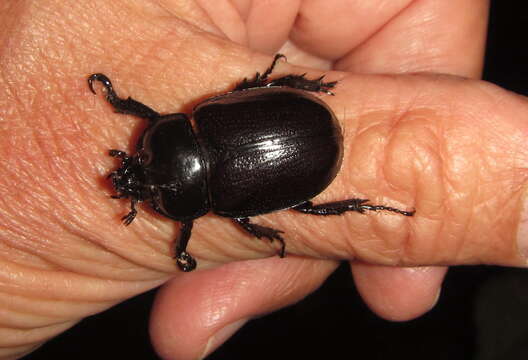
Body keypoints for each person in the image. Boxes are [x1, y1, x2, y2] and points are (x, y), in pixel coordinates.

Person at [0, 1, 525, 359]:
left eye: (140, 167)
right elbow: (253, 90)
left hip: (304, 143)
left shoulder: (216, 197)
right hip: (302, 134)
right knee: (292, 201)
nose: (134, 171)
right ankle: (367, 204)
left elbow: (208, 227)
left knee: (296, 214)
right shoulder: (198, 121)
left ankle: (368, 203)